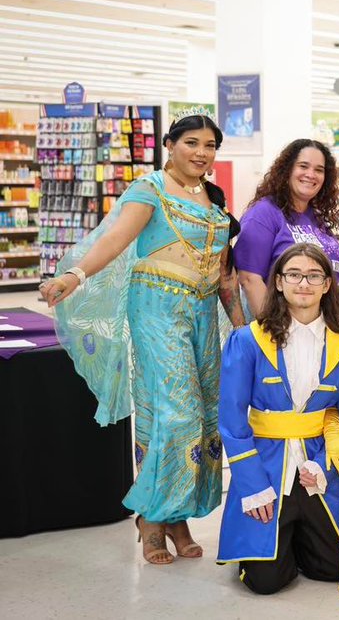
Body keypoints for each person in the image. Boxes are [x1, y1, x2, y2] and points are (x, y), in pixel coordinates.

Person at [40, 114, 246, 565]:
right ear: (169, 144)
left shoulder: (213, 200)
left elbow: (225, 276)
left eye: (210, 145)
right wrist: (75, 275)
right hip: (156, 308)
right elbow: (115, 239)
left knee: (206, 412)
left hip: (202, 314)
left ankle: (177, 516)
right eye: (191, 142)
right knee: (178, 411)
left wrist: (243, 328)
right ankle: (151, 518)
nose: (202, 152)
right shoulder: (149, 188)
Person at [216, 243, 339, 594]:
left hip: (316, 468)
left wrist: (324, 464)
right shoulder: (247, 341)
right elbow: (232, 420)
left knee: (336, 570)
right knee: (265, 583)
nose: (304, 283)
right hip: (266, 469)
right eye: (294, 274)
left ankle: (296, 537)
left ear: (328, 285)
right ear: (279, 282)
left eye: (314, 275)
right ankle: (275, 541)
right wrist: (252, 487)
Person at [234, 139, 339, 316]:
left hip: (316, 326)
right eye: (303, 166)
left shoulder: (317, 218)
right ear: (287, 169)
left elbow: (334, 271)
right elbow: (249, 279)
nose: (311, 174)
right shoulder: (263, 214)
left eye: (319, 170)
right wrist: (273, 329)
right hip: (279, 327)